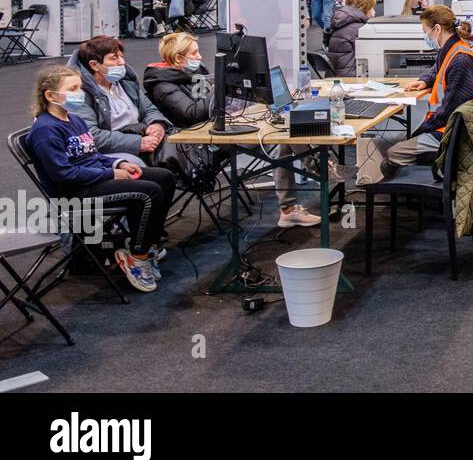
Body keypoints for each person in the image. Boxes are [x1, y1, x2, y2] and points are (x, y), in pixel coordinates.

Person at [142, 32, 320, 229]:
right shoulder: (162, 85)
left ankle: (318, 176)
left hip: (217, 128)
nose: (200, 57)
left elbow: (210, 106)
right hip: (197, 144)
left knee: (283, 132)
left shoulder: (194, 73)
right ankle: (308, 188)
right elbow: (191, 114)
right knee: (280, 140)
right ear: (177, 58)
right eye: (194, 53)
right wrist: (221, 86)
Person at [29, 65, 176, 292]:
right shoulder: (45, 130)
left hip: (94, 179)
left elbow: (93, 154)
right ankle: (137, 256)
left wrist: (118, 163)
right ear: (50, 95)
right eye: (73, 88)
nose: (80, 93)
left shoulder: (74, 120)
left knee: (164, 178)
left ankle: (149, 245)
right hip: (73, 192)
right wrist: (111, 173)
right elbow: (64, 175)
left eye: (80, 87)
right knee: (148, 191)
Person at [364, 6, 473, 182]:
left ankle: (397, 193)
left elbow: (447, 112)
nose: (426, 36)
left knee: (393, 152)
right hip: (452, 125)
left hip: (455, 131)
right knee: (403, 143)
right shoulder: (453, 48)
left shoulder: (460, 60)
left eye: (425, 31)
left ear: (437, 29)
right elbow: (437, 68)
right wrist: (426, 80)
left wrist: (418, 132)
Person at [68, 35, 171, 171]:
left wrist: (157, 125)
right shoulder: (82, 93)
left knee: (180, 148)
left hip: (143, 138)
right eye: (114, 58)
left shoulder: (126, 82)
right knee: (142, 167)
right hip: (108, 151)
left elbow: (149, 109)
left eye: (122, 56)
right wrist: (136, 143)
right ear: (94, 65)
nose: (122, 62)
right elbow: (90, 135)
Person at [326, 0, 376, 76]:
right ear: (366, 8)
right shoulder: (360, 30)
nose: (374, 11)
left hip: (337, 74)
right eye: (372, 7)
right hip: (352, 78)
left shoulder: (339, 25)